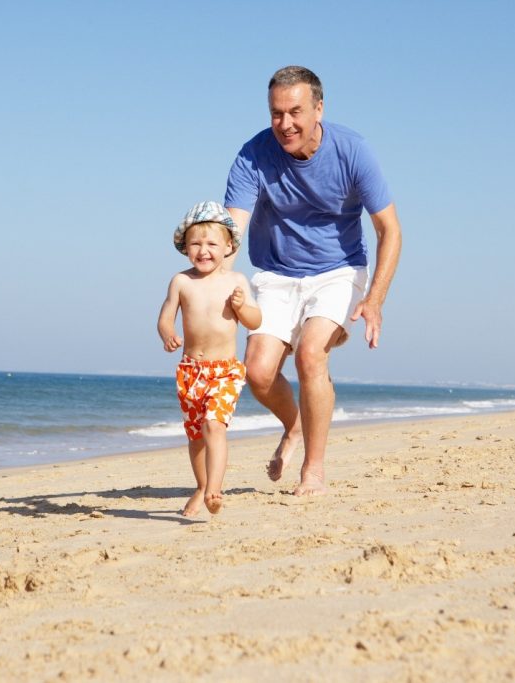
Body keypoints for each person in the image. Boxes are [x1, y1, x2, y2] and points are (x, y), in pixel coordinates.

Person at [224, 66, 402, 497]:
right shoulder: (253, 155)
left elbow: (390, 231)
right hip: (276, 274)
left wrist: (375, 300)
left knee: (309, 356)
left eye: (296, 112)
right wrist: (211, 288)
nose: (285, 124)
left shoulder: (353, 151)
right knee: (259, 373)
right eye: (276, 113)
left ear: (319, 108)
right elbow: (232, 231)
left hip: (338, 271)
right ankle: (296, 424)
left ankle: (313, 472)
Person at [157, 201, 262, 516]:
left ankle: (214, 490)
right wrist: (168, 335)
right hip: (190, 371)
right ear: (186, 248)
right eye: (196, 244)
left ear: (228, 246)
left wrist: (242, 307)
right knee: (196, 436)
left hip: (224, 372)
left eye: (212, 244)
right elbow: (164, 318)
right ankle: (201, 486)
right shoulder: (181, 282)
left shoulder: (236, 282)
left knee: (214, 425)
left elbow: (255, 322)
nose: (204, 250)